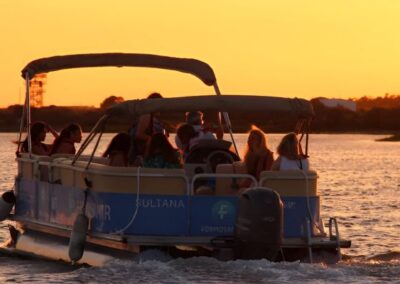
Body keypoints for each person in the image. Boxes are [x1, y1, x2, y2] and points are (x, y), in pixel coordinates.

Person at [128, 92, 168, 164]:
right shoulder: (146, 115)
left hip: (153, 152)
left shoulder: (155, 119)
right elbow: (139, 134)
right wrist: (153, 139)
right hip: (145, 153)